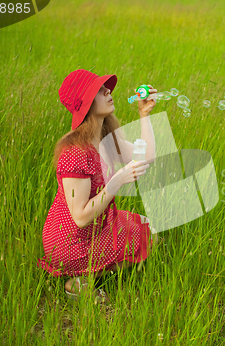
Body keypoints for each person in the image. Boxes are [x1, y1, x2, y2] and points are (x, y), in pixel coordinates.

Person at [37, 69, 157, 301]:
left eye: (106, 87)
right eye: (100, 90)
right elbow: (80, 217)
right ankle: (77, 281)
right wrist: (118, 180)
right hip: (70, 240)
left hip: (97, 226)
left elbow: (147, 155)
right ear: (86, 103)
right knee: (146, 239)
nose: (108, 91)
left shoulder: (104, 138)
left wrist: (144, 115)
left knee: (147, 228)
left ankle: (91, 269)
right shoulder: (74, 153)